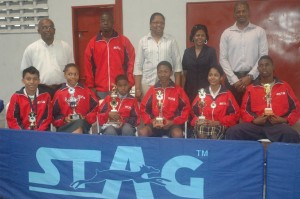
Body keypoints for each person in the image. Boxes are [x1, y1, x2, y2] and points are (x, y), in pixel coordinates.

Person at [226, 55, 300, 143]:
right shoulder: (251, 88)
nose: (264, 67)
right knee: (233, 132)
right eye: (261, 65)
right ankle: (241, 157)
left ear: (273, 67)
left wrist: (284, 120)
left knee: (292, 135)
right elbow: (244, 110)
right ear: (258, 69)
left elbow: (296, 108)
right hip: (256, 126)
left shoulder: (284, 86)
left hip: (278, 126)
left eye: (267, 65)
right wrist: (254, 120)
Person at [219, 1, 268, 105]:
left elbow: (263, 56)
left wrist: (250, 76)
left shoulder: (259, 32)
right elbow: (223, 58)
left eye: (243, 11)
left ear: (248, 12)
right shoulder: (227, 33)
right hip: (232, 80)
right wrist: (234, 80)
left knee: (254, 113)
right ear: (234, 14)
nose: (241, 14)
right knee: (232, 115)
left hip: (254, 79)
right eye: (238, 12)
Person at [84, 12, 135, 99]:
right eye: (103, 21)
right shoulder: (93, 43)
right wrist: (90, 86)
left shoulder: (123, 41)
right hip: (100, 90)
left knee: (120, 112)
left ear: (113, 23)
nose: (106, 23)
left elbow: (132, 61)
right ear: (100, 23)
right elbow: (88, 66)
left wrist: (129, 82)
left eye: (108, 20)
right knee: (102, 112)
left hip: (120, 89)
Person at [134, 12, 182, 101]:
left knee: (167, 111)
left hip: (167, 85)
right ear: (150, 24)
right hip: (147, 84)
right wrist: (137, 88)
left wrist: (178, 89)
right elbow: (138, 67)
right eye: (156, 22)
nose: (159, 25)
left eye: (162, 23)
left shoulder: (171, 40)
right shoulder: (143, 41)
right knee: (148, 111)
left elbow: (177, 67)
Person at [21, 18, 74, 98]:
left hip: (62, 89)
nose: (48, 30)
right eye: (44, 27)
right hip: (40, 89)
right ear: (39, 31)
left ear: (54, 30)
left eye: (50, 27)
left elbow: (72, 70)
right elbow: (25, 72)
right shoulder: (31, 49)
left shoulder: (65, 47)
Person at [139, 61, 191, 138]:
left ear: (171, 72)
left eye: (166, 71)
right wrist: (152, 121)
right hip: (155, 124)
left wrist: (173, 122)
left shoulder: (178, 90)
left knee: (177, 134)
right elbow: (144, 108)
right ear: (157, 73)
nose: (163, 74)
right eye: (160, 72)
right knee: (143, 132)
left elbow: (186, 109)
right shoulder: (152, 90)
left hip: (172, 124)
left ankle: (174, 150)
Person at [190, 65, 240, 139]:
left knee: (214, 134)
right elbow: (192, 112)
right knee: (201, 132)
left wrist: (219, 122)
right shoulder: (202, 93)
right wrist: (197, 120)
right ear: (207, 77)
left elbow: (235, 114)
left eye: (216, 75)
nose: (212, 77)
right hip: (203, 124)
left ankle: (213, 151)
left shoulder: (227, 94)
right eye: (210, 75)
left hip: (220, 125)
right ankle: (203, 151)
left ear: (221, 78)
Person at [52, 63, 98, 134]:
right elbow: (53, 114)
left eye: (75, 74)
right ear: (65, 75)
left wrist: (86, 117)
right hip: (65, 125)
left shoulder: (86, 91)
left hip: (83, 123)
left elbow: (96, 108)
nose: (73, 77)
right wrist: (64, 119)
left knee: (80, 124)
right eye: (70, 74)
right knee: (78, 128)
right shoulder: (59, 93)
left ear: (79, 75)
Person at [6, 66, 52, 131]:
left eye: (35, 79)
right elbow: (12, 119)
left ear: (39, 81)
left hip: (41, 133)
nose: (32, 82)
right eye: (28, 79)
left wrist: (37, 132)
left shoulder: (46, 96)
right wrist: (24, 133)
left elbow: (47, 118)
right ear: (23, 81)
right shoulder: (16, 97)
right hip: (21, 134)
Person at [182, 24, 218, 103]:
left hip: (206, 89)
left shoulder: (211, 51)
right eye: (197, 35)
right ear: (193, 37)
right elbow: (184, 72)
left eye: (202, 35)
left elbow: (214, 72)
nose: (200, 37)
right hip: (190, 89)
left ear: (206, 37)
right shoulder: (187, 52)